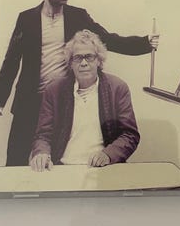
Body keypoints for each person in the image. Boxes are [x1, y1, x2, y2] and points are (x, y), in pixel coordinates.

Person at [0, 0, 157, 166]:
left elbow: (107, 39)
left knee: (57, 153)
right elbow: (12, 58)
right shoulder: (27, 18)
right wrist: (0, 96)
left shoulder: (77, 15)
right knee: (16, 157)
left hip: (61, 98)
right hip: (30, 98)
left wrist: (144, 43)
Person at [29, 30, 139, 170]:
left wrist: (108, 155)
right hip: (62, 168)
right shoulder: (54, 90)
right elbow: (43, 136)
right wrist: (41, 153)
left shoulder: (118, 88)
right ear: (70, 63)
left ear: (99, 60)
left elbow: (130, 135)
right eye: (77, 58)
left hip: (103, 169)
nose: (84, 63)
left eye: (89, 57)